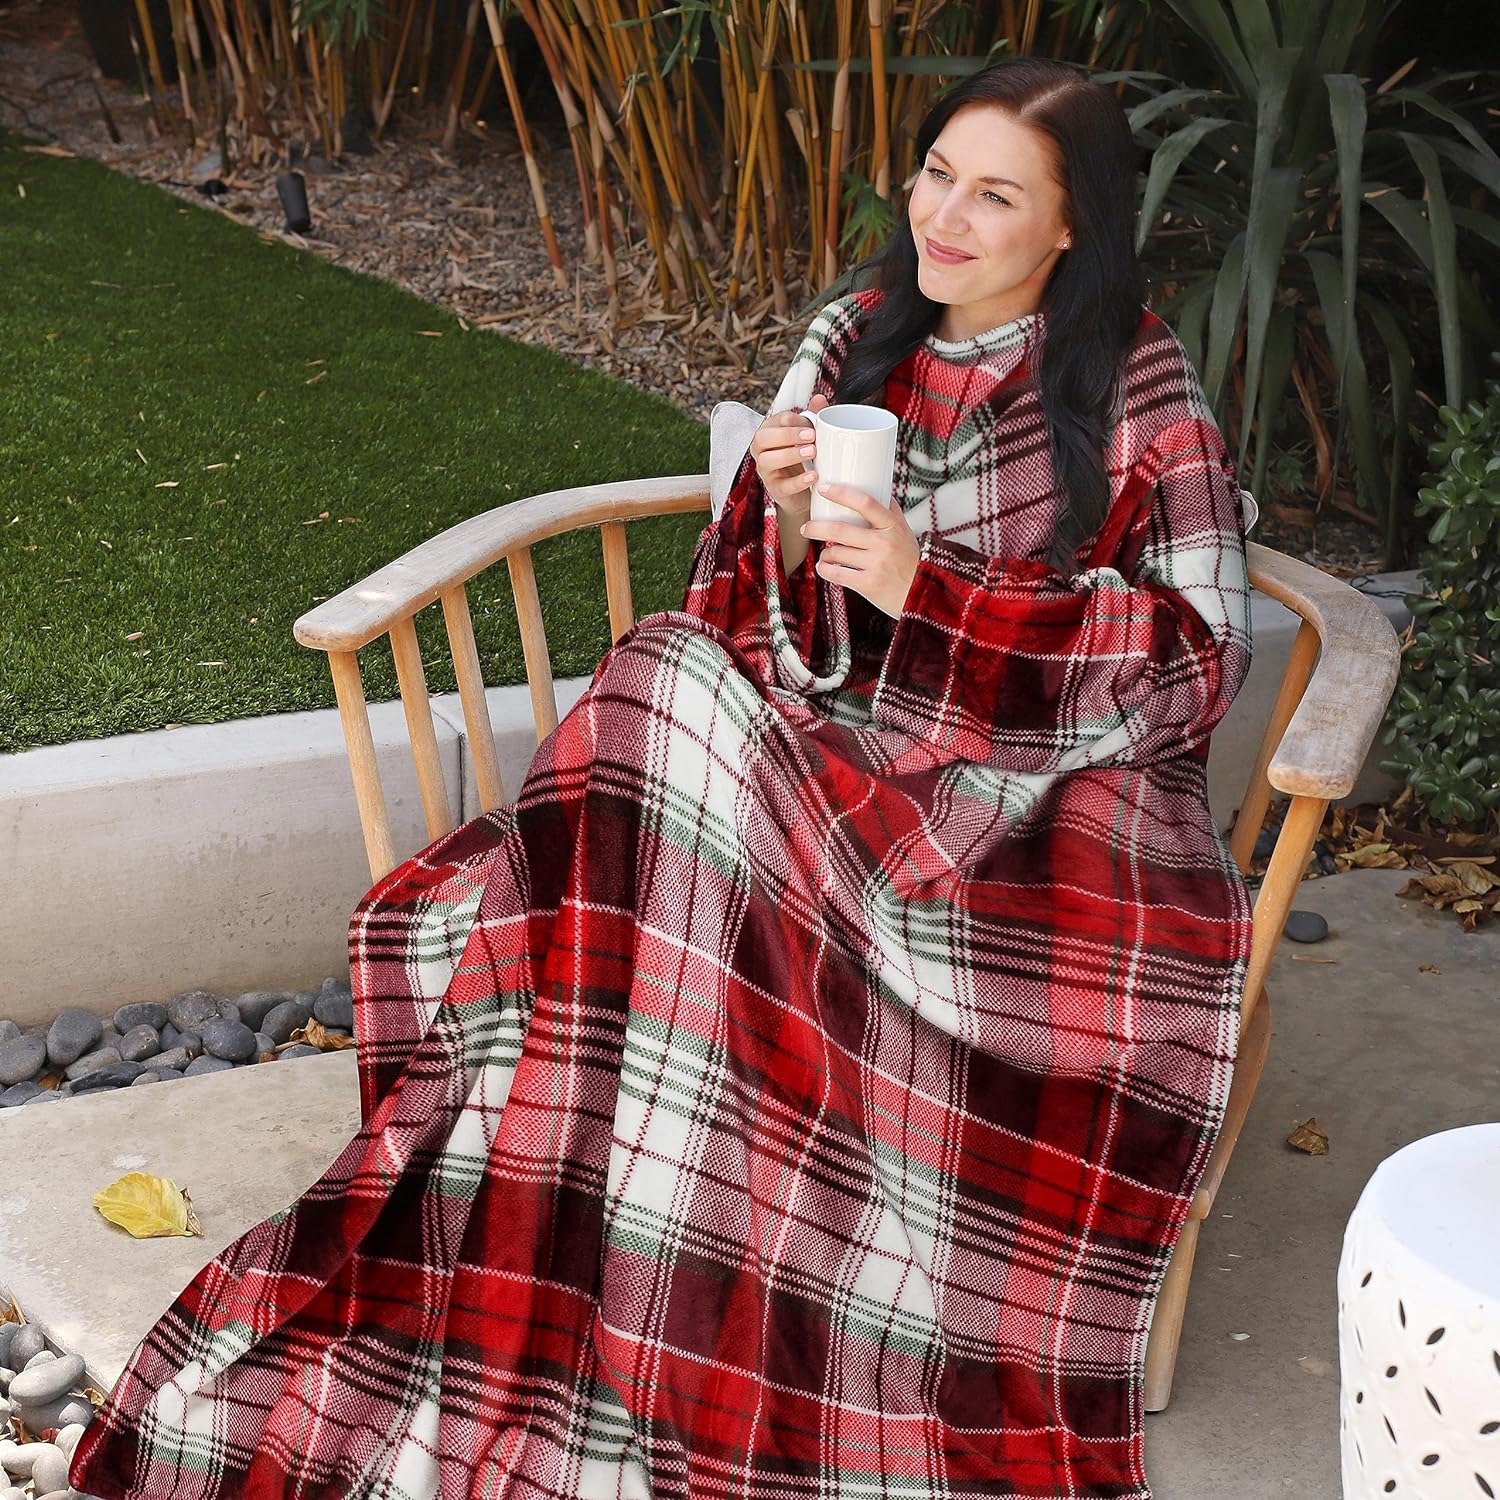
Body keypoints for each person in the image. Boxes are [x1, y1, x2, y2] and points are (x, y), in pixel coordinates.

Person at [73, 56, 1254, 1500]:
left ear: (1072, 228)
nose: (945, 217)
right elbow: (737, 610)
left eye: (996, 196)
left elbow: (1197, 656)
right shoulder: (857, 335)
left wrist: (934, 594)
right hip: (822, 748)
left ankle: (649, 1252)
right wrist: (782, 521)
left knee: (655, 732)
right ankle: (606, 1251)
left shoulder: (1134, 380)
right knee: (664, 677)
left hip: (1022, 806)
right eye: (937, 174)